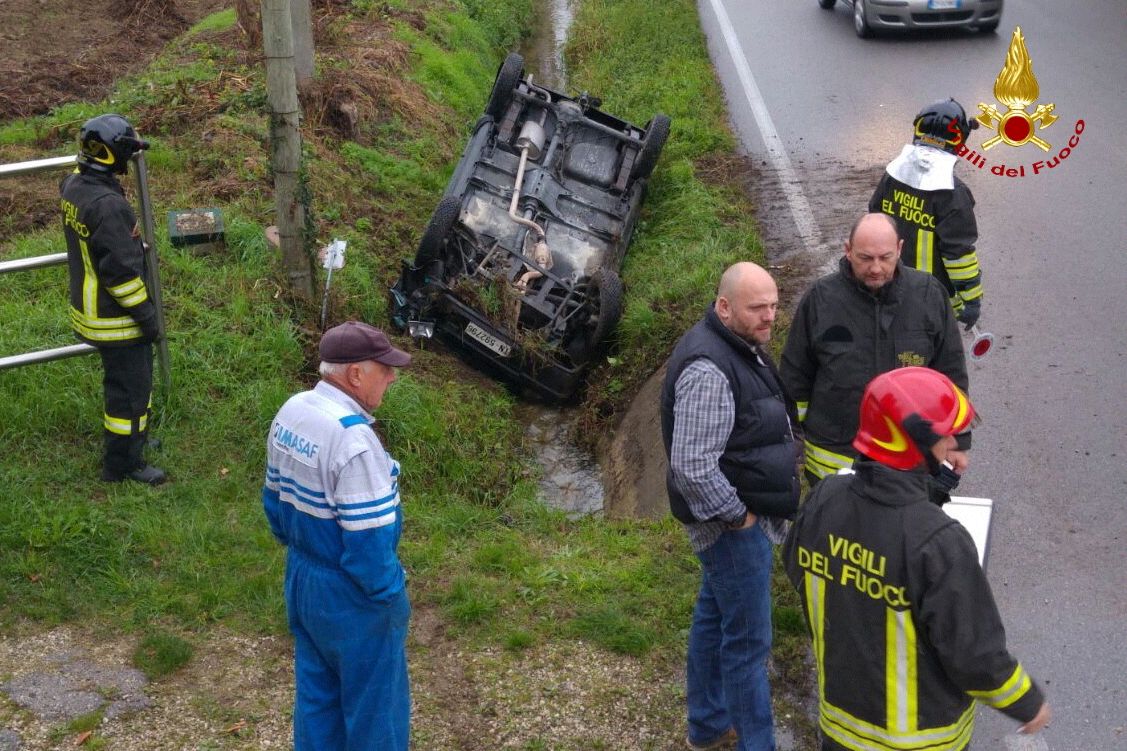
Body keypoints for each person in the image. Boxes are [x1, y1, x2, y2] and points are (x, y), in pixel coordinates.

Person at [783, 367, 1051, 750]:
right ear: (913, 442)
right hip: (920, 740)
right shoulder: (938, 540)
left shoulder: (825, 498)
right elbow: (974, 655)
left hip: (838, 728)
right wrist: (1027, 703)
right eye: (945, 436)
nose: (952, 444)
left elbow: (796, 567)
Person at [660, 262, 802, 751]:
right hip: (732, 528)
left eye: (774, 306)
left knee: (713, 617)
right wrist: (739, 518)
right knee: (748, 645)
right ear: (724, 307)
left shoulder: (734, 343)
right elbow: (693, 467)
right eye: (757, 308)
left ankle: (707, 724)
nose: (769, 318)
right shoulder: (709, 369)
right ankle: (755, 743)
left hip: (735, 521)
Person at [263, 321, 413, 751]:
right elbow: (368, 547)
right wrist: (390, 597)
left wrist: (304, 553)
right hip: (353, 597)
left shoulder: (292, 411)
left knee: (317, 699)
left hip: (304, 579)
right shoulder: (354, 440)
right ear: (354, 374)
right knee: (375, 713)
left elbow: (273, 504)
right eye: (384, 369)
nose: (392, 377)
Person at [780, 212, 969, 487]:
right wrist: (789, 442)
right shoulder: (821, 299)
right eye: (865, 258)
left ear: (900, 250)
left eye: (886, 257)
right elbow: (794, 377)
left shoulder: (928, 295)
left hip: (908, 461)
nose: (876, 268)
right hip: (834, 463)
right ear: (847, 250)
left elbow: (950, 373)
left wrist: (957, 441)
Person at [60, 113, 166, 485]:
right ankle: (123, 464)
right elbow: (121, 276)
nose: (131, 157)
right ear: (110, 155)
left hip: (90, 309)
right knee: (130, 394)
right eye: (127, 151)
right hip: (117, 320)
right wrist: (148, 317)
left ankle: (131, 441)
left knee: (125, 388)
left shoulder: (73, 185)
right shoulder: (108, 206)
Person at [869, 98, 985, 330]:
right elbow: (958, 254)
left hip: (885, 287)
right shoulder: (953, 193)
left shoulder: (893, 175)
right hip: (930, 301)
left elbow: (873, 220)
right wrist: (971, 299)